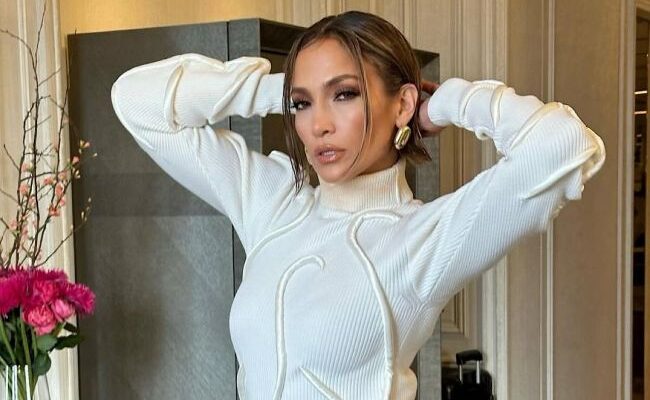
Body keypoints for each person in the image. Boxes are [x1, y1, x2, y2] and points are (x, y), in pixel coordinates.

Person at [110, 10, 605, 400]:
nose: (317, 125)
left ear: (402, 104)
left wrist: (448, 103)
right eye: (303, 104)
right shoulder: (271, 201)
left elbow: (563, 148)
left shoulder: (423, 240)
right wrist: (275, 89)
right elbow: (135, 101)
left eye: (343, 94)